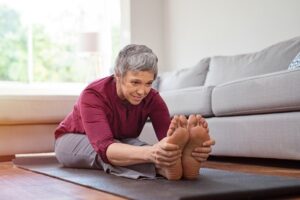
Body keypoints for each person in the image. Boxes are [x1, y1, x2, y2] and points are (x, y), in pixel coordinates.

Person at [54, 44, 215, 180]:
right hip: (74, 139)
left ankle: (173, 165)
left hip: (119, 141)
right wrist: (152, 153)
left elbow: (168, 141)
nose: (142, 91)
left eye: (148, 83)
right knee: (115, 152)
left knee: (137, 146)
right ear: (118, 75)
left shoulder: (152, 98)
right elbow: (104, 147)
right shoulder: (93, 94)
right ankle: (160, 168)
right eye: (135, 82)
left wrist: (189, 148)